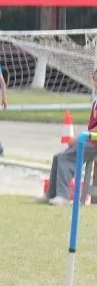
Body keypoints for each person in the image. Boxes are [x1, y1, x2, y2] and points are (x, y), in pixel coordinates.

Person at [38, 69, 97, 206]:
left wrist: (80, 139)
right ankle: (50, 194)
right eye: (95, 79)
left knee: (65, 158)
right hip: (91, 139)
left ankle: (63, 195)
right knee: (58, 157)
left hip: (94, 142)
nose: (96, 83)